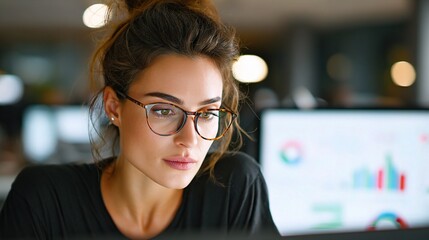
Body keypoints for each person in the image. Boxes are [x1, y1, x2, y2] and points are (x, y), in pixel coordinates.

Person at [0, 0, 279, 239]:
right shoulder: (45, 201)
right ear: (114, 107)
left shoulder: (234, 188)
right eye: (164, 110)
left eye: (207, 113)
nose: (190, 140)